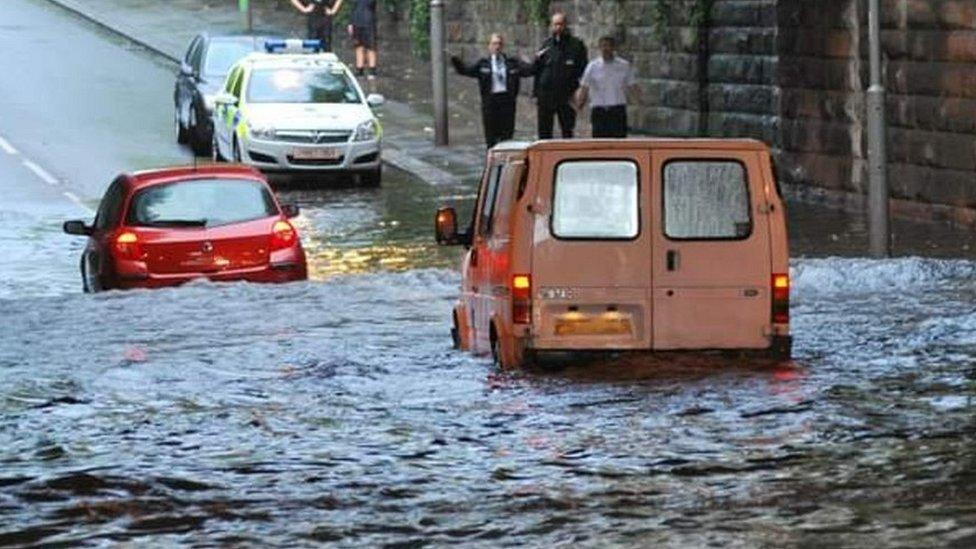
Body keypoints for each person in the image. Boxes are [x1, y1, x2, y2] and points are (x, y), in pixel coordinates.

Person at [451, 34, 534, 148]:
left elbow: (528, 71)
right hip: (490, 102)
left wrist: (536, 60)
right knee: (491, 135)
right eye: (494, 43)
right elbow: (466, 70)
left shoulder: (511, 63)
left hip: (507, 101)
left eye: (499, 43)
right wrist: (456, 60)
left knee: (507, 134)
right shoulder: (483, 64)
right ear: (489, 46)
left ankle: (504, 161)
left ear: (503, 46)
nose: (497, 46)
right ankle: (491, 159)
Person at [532, 12, 588, 139]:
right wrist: (535, 93)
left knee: (567, 130)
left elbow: (584, 70)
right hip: (546, 96)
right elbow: (538, 70)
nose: (558, 27)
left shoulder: (576, 45)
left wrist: (580, 91)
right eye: (555, 24)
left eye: (561, 24)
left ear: (566, 25)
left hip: (566, 95)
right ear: (551, 26)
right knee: (544, 131)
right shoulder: (546, 45)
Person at [576, 36, 639, 138]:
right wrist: (579, 104)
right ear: (599, 48)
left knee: (619, 142)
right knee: (600, 143)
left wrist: (639, 104)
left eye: (608, 46)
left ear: (613, 48)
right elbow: (584, 87)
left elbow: (632, 85)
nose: (605, 49)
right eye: (603, 46)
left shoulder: (624, 66)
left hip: (617, 110)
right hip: (599, 110)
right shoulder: (592, 66)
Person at [348, 0, 378, 79]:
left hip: (369, 22)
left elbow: (371, 5)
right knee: (358, 46)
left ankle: (372, 70)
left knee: (371, 46)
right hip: (356, 21)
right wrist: (350, 23)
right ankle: (359, 70)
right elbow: (353, 8)